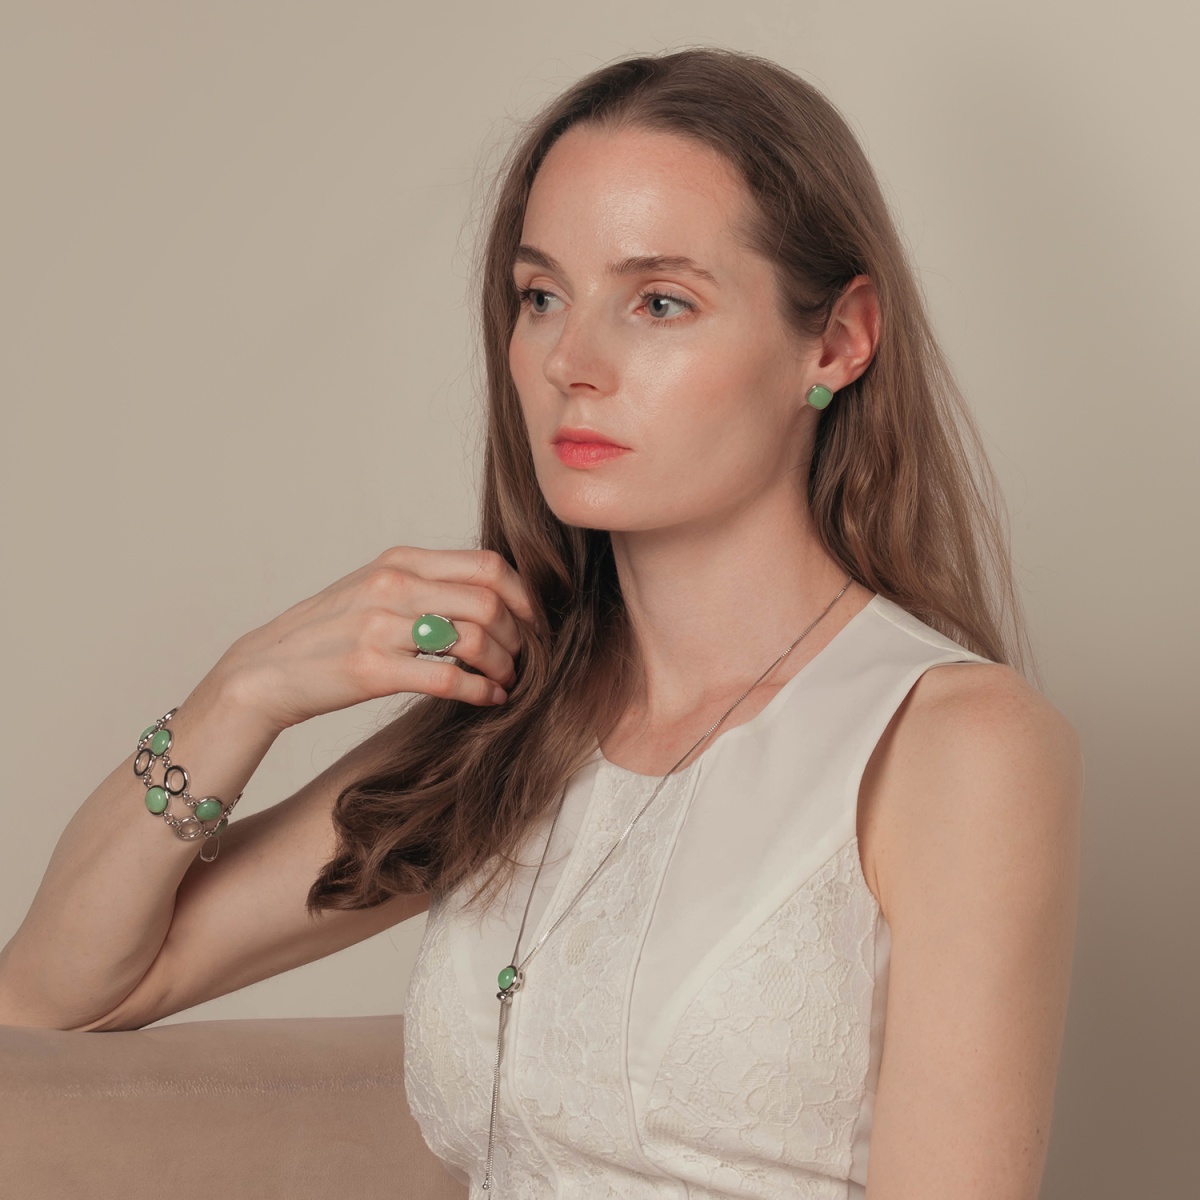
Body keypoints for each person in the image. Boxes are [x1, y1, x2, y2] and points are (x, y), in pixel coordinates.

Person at [0, 47, 1081, 1200]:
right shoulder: (519, 715)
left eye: (659, 302)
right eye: (541, 297)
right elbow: (59, 994)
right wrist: (243, 693)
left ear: (838, 340)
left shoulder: (953, 743)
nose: (571, 362)